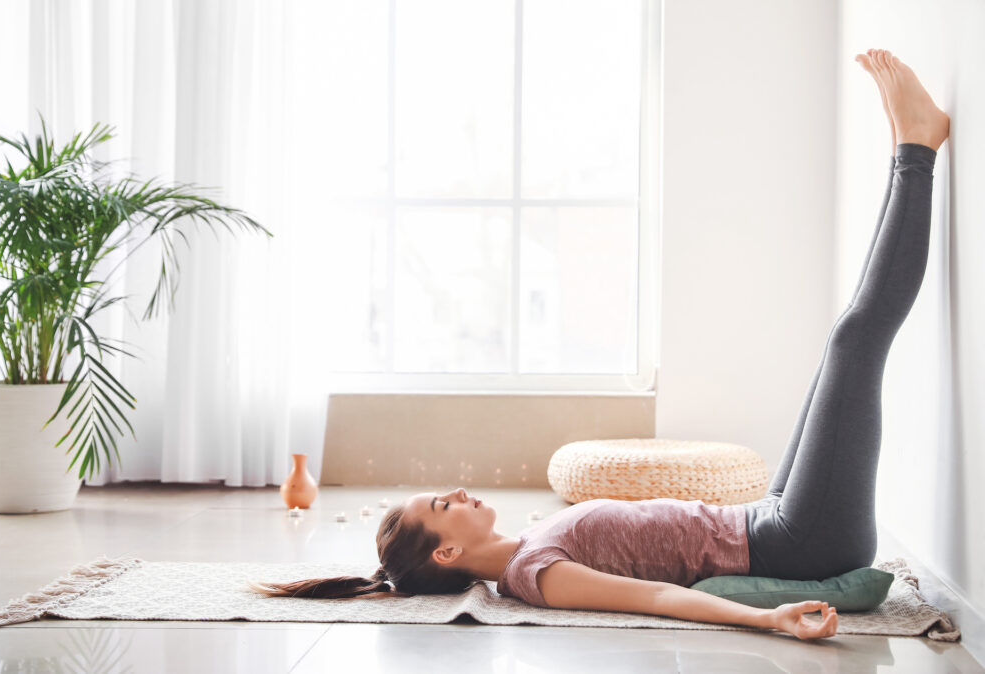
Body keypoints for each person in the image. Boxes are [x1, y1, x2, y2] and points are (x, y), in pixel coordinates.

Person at [249, 49, 950, 642]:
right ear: (451, 549)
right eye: (441, 505)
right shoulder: (537, 574)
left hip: (770, 516)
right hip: (799, 540)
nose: (455, 493)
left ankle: (906, 147)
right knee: (856, 341)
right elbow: (658, 601)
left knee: (840, 345)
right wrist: (768, 621)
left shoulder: (531, 542)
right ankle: (916, 149)